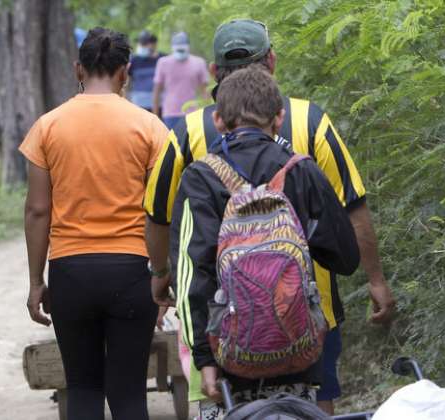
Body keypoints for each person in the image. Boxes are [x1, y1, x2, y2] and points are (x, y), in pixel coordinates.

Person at [144, 19, 396, 415]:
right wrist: (372, 277)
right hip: (305, 329)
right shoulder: (308, 135)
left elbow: (188, 263)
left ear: (218, 114)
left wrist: (162, 279)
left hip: (221, 332)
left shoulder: (191, 144)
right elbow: (347, 238)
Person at [172, 66, 360, 417]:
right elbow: (346, 259)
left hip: (227, 361)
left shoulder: (199, 179)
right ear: (279, 118)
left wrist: (204, 359)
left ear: (218, 120)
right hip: (297, 354)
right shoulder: (301, 171)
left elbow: (190, 278)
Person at [20, 27, 167, 420]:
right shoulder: (150, 127)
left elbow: (37, 210)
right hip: (133, 271)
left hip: (71, 272)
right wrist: (163, 275)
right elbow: (163, 212)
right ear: (126, 72)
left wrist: (37, 282)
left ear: (78, 69)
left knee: (83, 388)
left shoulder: (48, 126)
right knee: (130, 393)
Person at [152, 31, 210, 129]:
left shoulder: (199, 63)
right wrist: (155, 117)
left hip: (193, 113)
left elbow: (205, 91)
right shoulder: (163, 63)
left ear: (188, 47)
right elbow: (157, 91)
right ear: (173, 48)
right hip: (170, 114)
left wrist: (208, 115)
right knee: (171, 143)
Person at [128, 30, 164, 113]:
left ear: (154, 44)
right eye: (142, 44)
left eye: (146, 44)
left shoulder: (161, 59)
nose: (143, 46)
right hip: (138, 104)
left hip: (159, 104)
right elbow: (127, 82)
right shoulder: (133, 60)